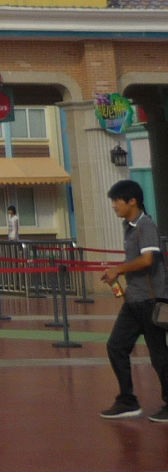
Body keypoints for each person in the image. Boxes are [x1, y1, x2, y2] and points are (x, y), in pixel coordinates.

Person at [99, 179, 168, 420]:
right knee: (116, 346)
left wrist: (119, 269)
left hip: (152, 300)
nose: (114, 205)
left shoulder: (145, 225)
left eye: (117, 200)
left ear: (132, 201)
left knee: (159, 354)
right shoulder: (128, 227)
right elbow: (136, 262)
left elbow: (148, 260)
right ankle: (127, 400)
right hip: (134, 301)